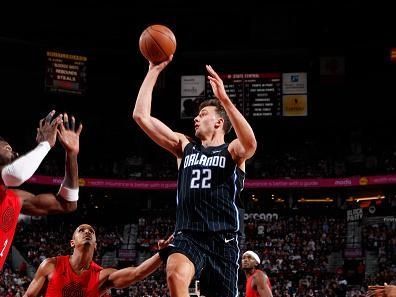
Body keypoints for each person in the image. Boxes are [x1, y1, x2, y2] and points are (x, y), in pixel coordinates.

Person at [133, 57, 257, 297]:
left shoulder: (232, 150)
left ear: (219, 122)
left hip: (224, 243)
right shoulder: (185, 146)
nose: (196, 118)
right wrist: (154, 69)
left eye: (203, 114)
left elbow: (250, 143)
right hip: (188, 236)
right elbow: (141, 116)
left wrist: (224, 99)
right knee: (175, 274)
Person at [0, 110, 82, 269]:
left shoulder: (14, 198)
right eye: (7, 148)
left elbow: (67, 204)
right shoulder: (11, 177)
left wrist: (71, 154)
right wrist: (45, 145)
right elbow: (16, 174)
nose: (15, 151)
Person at [23, 224, 173, 296]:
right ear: (72, 242)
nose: (87, 232)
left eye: (91, 231)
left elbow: (136, 273)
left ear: (95, 245)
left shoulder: (103, 276)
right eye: (81, 230)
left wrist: (162, 254)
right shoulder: (51, 265)